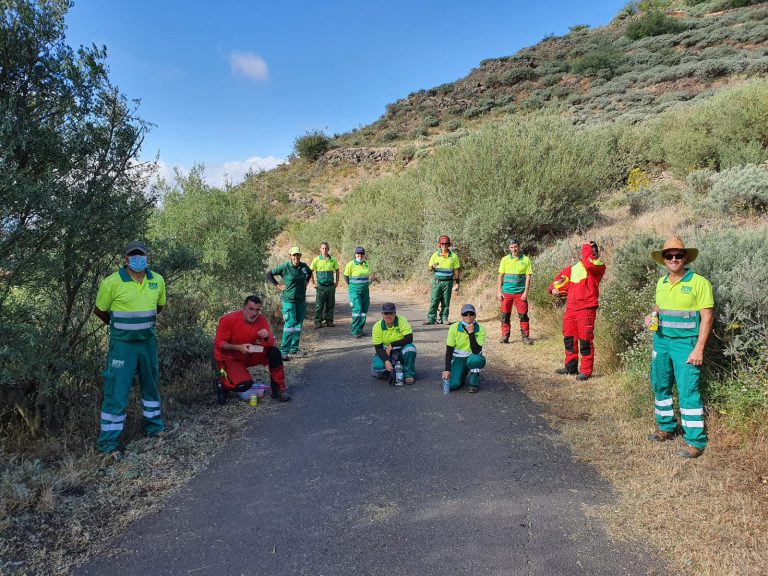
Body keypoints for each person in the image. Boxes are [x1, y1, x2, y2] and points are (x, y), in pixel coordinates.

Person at [93, 241, 170, 461]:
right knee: (116, 392)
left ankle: (155, 428)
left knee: (151, 386)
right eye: (133, 256)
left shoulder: (157, 280)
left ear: (147, 258)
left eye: (141, 255)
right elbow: (100, 311)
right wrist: (121, 329)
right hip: (122, 347)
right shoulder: (112, 282)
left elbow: (160, 307)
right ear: (125, 260)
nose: (138, 259)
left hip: (148, 343)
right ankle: (108, 444)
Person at [646, 238, 713, 459]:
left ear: (685, 258)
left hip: (687, 344)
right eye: (669, 256)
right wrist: (652, 315)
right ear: (664, 260)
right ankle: (666, 427)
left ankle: (695, 441)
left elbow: (707, 317)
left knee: (688, 391)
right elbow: (659, 306)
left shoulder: (699, 283)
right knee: (660, 384)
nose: (674, 259)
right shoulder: (662, 282)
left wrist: (699, 348)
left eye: (678, 255)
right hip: (661, 341)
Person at [214, 295, 290, 403]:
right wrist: (238, 347)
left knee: (274, 352)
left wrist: (267, 336)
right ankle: (223, 385)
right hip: (230, 357)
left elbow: (269, 343)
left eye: (257, 310)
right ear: (243, 308)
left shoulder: (261, 319)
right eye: (251, 309)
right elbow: (218, 343)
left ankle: (278, 390)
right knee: (244, 385)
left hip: (249, 354)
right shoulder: (228, 319)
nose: (254, 313)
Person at [548, 241, 605, 381]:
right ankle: (570, 367)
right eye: (588, 251)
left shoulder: (598, 265)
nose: (589, 253)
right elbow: (558, 282)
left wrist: (586, 247)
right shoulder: (574, 268)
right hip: (571, 309)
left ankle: (585, 371)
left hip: (586, 308)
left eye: (592, 251)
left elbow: (588, 263)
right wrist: (552, 290)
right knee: (569, 338)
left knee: (585, 341)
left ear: (595, 253)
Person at [267, 246, 312, 360]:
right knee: (290, 324)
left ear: (300, 256)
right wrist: (278, 285)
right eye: (294, 255)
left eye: (298, 255)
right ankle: (283, 352)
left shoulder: (303, 266)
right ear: (290, 256)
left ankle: (294, 349)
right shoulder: (285, 267)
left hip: (300, 300)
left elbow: (310, 272)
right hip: (289, 301)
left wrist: (306, 281)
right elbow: (269, 274)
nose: (296, 257)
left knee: (298, 325)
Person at [442, 304, 487, 393]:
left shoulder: (481, 329)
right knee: (452, 385)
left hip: (472, 357)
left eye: (471, 314)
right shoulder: (454, 327)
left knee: (476, 359)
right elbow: (449, 350)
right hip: (458, 359)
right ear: (462, 316)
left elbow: (476, 350)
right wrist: (447, 369)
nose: (468, 316)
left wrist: (471, 333)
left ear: (475, 315)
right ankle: (462, 374)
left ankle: (474, 383)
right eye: (465, 314)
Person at [371, 302, 417, 384]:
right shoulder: (377, 327)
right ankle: (390, 367)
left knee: (410, 348)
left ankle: (408, 374)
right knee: (378, 367)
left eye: (391, 313)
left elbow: (409, 338)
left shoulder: (402, 320)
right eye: (386, 313)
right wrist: (386, 361)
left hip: (400, 350)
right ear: (382, 314)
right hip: (385, 352)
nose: (388, 316)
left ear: (395, 313)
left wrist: (392, 344)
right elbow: (378, 348)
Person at [497, 239, 533, 345]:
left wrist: (526, 292)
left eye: (516, 247)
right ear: (509, 248)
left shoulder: (526, 260)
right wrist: (499, 291)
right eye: (512, 247)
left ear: (519, 247)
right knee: (504, 315)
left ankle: (525, 337)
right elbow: (500, 276)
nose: (514, 249)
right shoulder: (504, 260)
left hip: (520, 293)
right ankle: (505, 336)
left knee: (523, 316)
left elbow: (528, 277)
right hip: (506, 293)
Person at [424, 235, 461, 325]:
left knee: (446, 300)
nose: (444, 245)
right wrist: (432, 267)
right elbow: (429, 269)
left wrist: (457, 283)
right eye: (442, 244)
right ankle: (431, 318)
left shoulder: (454, 256)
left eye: (446, 244)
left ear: (449, 244)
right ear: (439, 245)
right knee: (434, 300)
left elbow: (456, 270)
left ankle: (444, 318)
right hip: (437, 281)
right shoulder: (435, 255)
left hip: (448, 282)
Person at [309, 241, 340, 328]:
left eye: (326, 248)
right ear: (320, 249)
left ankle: (329, 321)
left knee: (330, 304)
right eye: (323, 248)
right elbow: (310, 271)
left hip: (331, 286)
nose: (324, 250)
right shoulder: (316, 260)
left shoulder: (332, 259)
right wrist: (313, 283)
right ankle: (318, 322)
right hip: (321, 287)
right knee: (319, 305)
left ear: (328, 249)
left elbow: (337, 270)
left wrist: (337, 282)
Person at [343, 246, 370, 338]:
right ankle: (355, 331)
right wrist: (352, 286)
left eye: (362, 254)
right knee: (357, 309)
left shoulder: (366, 263)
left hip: (365, 290)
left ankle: (360, 330)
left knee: (364, 310)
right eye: (358, 254)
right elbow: (346, 276)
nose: (360, 255)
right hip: (355, 290)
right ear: (355, 254)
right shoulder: (350, 264)